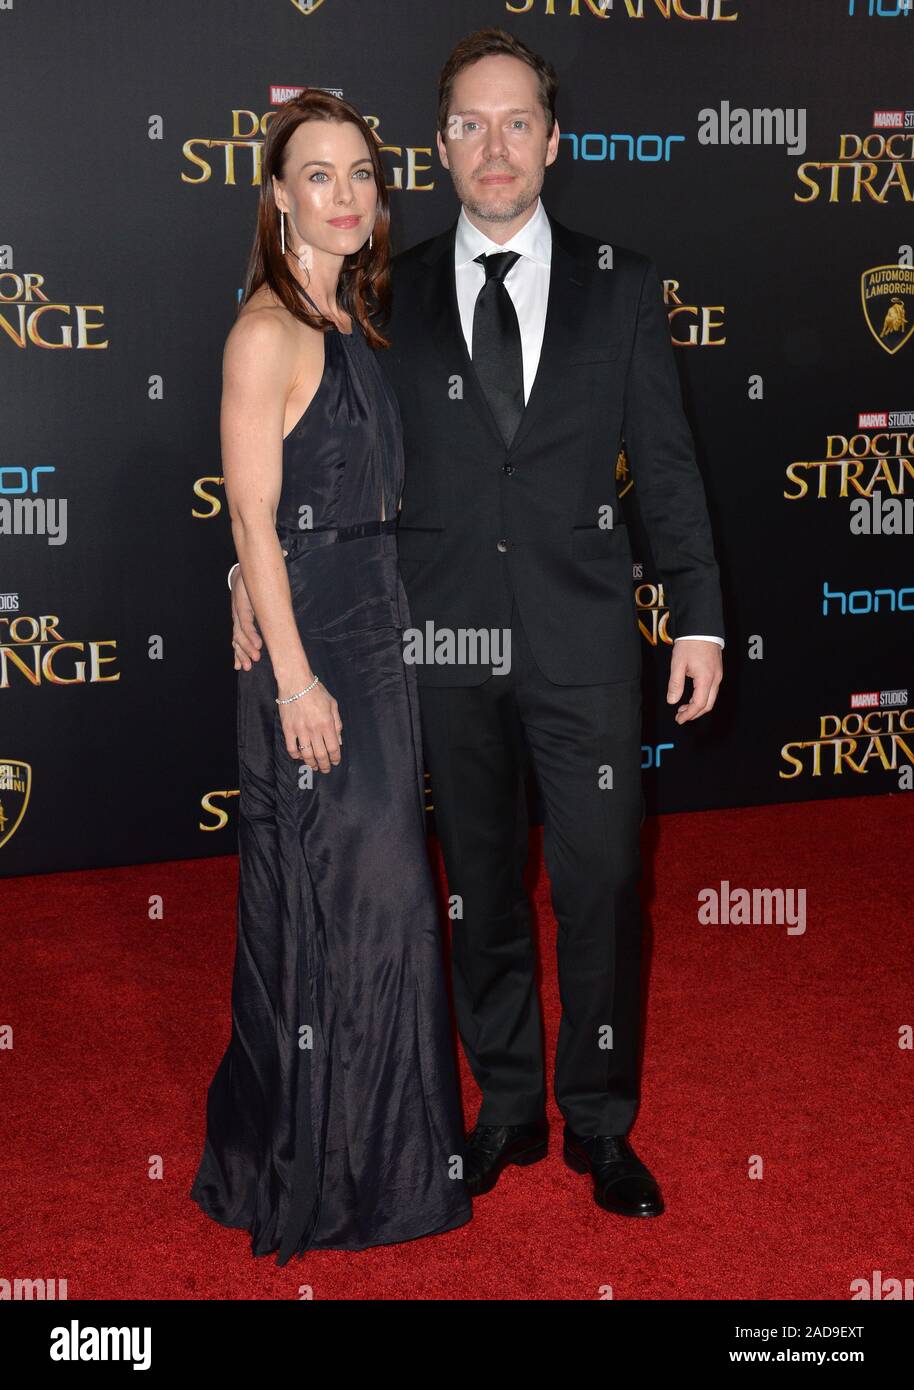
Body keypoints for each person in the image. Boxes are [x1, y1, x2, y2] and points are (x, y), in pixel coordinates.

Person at [231, 28, 725, 1222]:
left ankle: (598, 1122)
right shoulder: (377, 290)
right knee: (480, 890)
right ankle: (504, 1104)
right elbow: (305, 455)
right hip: (436, 649)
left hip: (585, 649)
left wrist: (699, 618)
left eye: (515, 123)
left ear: (552, 143)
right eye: (467, 124)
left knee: (603, 885)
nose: (492, 147)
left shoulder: (623, 281)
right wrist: (246, 573)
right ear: (440, 146)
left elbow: (664, 469)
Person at [189, 89, 472, 1265]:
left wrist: (259, 586)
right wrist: (295, 679)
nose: (348, 194)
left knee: (386, 902)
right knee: (353, 898)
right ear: (276, 195)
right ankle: (329, 1168)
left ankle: (379, 1159)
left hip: (369, 614)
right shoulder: (265, 328)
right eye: (319, 175)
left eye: (361, 173)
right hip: (322, 648)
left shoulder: (348, 316)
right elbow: (252, 512)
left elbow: (298, 502)